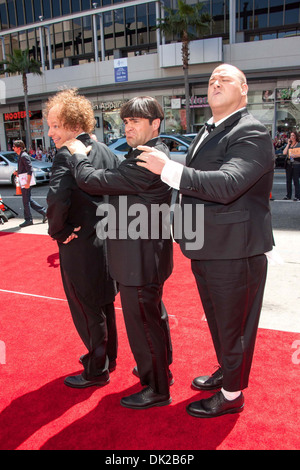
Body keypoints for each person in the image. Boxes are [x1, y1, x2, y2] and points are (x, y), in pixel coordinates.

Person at [137, 64, 275, 418]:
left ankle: (232, 396)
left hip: (236, 249)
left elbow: (228, 184)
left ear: (244, 90)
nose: (215, 81)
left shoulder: (251, 131)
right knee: (218, 321)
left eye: (225, 78)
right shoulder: (209, 129)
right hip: (209, 246)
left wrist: (166, 168)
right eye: (212, 78)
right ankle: (227, 372)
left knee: (234, 325)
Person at [64, 96, 174, 409]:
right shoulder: (147, 153)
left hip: (138, 258)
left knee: (143, 324)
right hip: (148, 254)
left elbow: (92, 181)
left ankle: (156, 388)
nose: (127, 127)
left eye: (135, 121)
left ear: (155, 123)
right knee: (155, 315)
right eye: (125, 121)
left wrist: (78, 155)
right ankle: (161, 370)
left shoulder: (146, 159)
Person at [45, 88, 119, 389]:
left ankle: (96, 369)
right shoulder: (107, 151)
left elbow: (56, 199)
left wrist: (59, 232)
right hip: (107, 242)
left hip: (79, 244)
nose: (50, 133)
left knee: (87, 306)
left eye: (55, 126)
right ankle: (108, 358)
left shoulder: (67, 154)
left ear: (75, 126)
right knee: (104, 302)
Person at [13, 140, 47, 228]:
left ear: (19, 148)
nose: (13, 148)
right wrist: (18, 172)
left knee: (26, 202)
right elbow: (25, 168)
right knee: (28, 200)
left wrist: (27, 183)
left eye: (14, 147)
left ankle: (29, 219)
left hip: (26, 182)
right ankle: (44, 212)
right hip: (24, 181)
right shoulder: (21, 156)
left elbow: (30, 169)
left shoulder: (24, 156)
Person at [282, 131, 300, 201]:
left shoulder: (298, 144)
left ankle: (297, 196)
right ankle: (288, 195)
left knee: (296, 180)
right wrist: (288, 144)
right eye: (291, 136)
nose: (292, 137)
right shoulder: (289, 145)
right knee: (288, 180)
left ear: (296, 136)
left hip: (296, 164)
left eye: (293, 135)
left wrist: (295, 155)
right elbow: (284, 152)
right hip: (289, 164)